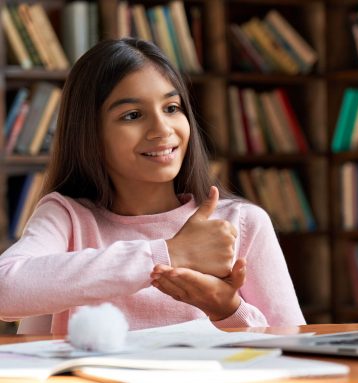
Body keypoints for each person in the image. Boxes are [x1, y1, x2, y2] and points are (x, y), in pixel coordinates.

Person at [0, 38, 305, 334]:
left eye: (171, 108)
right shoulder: (67, 217)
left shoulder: (241, 223)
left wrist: (228, 310)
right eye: (132, 115)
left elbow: (296, 353)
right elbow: (5, 289)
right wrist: (169, 253)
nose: (162, 129)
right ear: (89, 133)